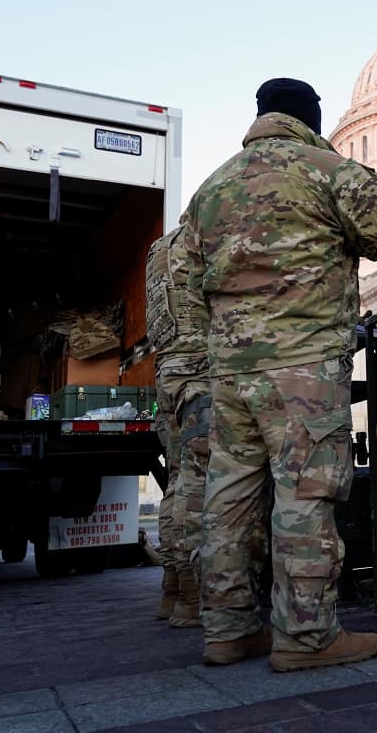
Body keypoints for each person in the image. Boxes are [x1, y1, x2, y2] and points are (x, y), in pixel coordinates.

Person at [185, 77, 377, 672]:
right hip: (300, 368)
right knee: (305, 494)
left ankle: (227, 631)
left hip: (230, 371)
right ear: (311, 117)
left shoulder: (211, 188)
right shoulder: (327, 171)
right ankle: (305, 637)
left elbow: (191, 279)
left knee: (228, 498)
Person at [145, 217, 212, 629]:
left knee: (176, 481)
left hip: (167, 374)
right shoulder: (203, 238)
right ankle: (192, 598)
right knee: (198, 484)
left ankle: (172, 589)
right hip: (199, 374)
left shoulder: (159, 249)